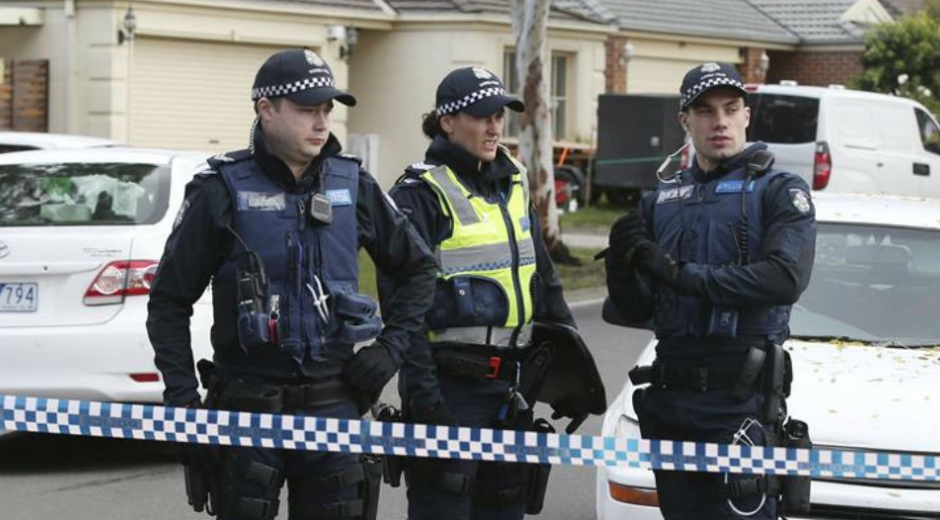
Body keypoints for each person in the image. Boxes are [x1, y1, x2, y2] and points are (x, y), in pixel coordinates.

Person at [146, 48, 437, 520]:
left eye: (326, 110)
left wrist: (390, 351)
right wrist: (183, 404)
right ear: (266, 110)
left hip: (334, 408)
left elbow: (419, 270)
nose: (321, 123)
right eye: (307, 110)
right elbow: (168, 302)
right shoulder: (219, 188)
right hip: (246, 411)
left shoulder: (354, 185)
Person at [604, 62, 817, 520]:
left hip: (737, 399)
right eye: (704, 111)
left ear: (746, 116)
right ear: (684, 120)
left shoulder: (780, 191)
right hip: (671, 402)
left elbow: (784, 278)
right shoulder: (659, 200)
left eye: (730, 108)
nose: (718, 121)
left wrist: (677, 273)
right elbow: (633, 307)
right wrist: (622, 266)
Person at [378, 66, 576, 520]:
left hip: (512, 388)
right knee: (444, 505)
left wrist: (569, 369)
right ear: (447, 122)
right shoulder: (417, 195)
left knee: (506, 506)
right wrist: (427, 403)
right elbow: (402, 311)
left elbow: (543, 279)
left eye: (500, 116)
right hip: (449, 392)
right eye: (481, 115)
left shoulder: (516, 180)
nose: (494, 127)